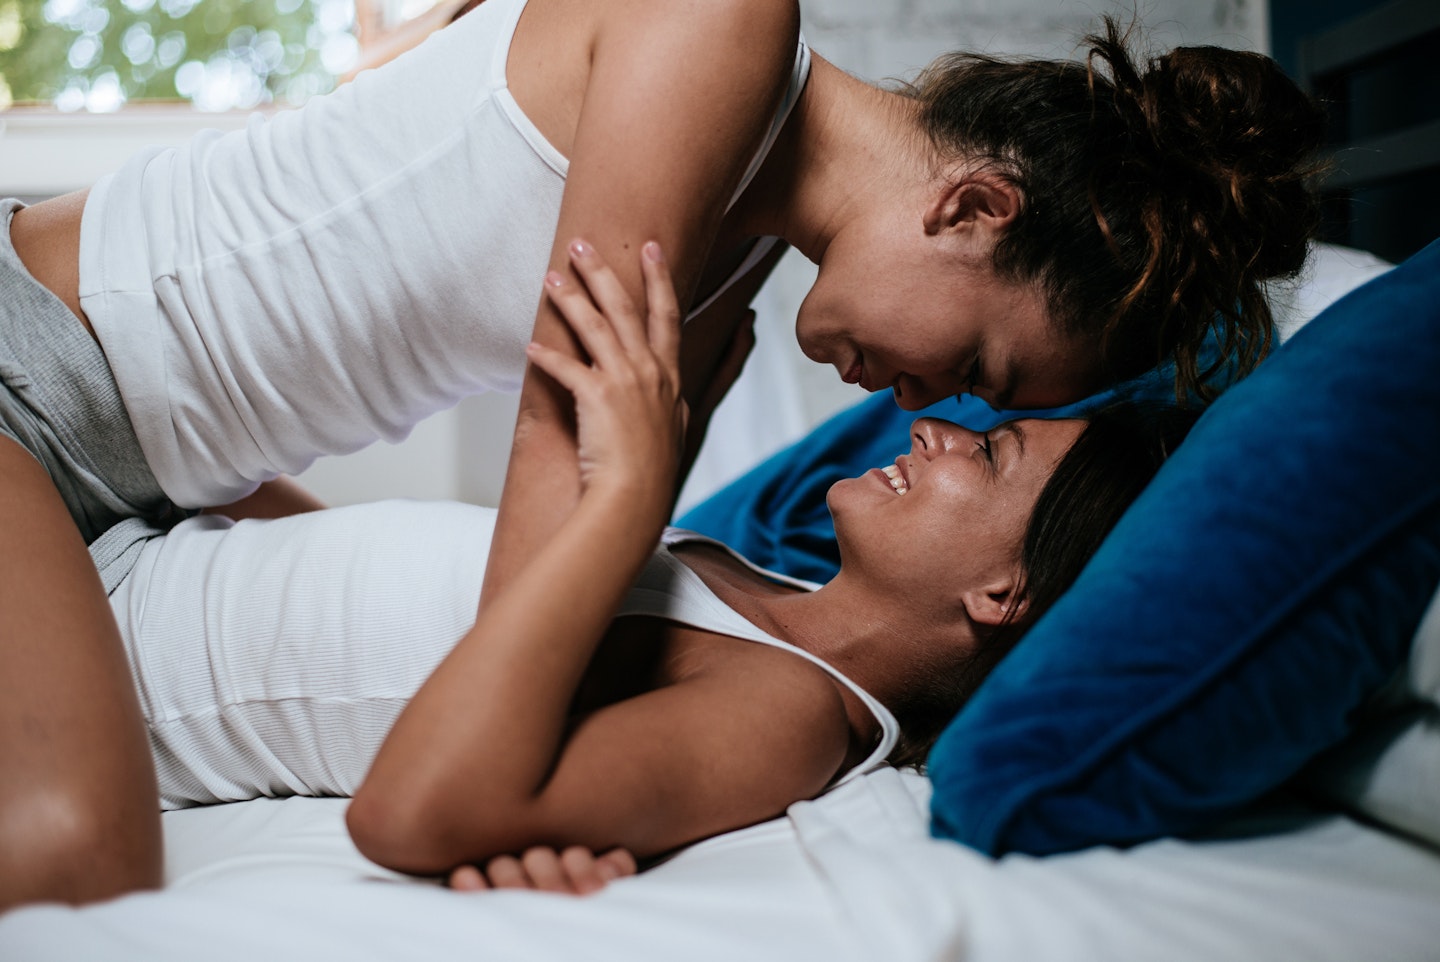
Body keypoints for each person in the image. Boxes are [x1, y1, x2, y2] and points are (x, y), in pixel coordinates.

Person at [0, 0, 1315, 907]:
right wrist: (501, 784)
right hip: (37, 372)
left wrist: (519, 796)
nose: (925, 402)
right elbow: (552, 455)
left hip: (132, 472)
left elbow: (484, 627)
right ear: (973, 208)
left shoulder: (730, 257)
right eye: (977, 370)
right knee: (81, 853)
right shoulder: (726, 31)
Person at [97, 246, 1198, 895]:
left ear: (1004, 593)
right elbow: (405, 612)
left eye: (991, 451)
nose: (943, 431)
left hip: (97, 662)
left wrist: (630, 492)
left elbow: (415, 812)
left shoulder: (794, 715)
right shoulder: (756, 578)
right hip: (133, 561)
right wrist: (230, 486)